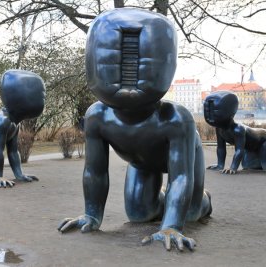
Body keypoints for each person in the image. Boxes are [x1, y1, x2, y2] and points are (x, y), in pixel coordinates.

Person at [58, 8, 211, 252]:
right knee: (139, 214)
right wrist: (92, 215)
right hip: (141, 163)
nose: (129, 63)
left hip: (183, 165)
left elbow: (181, 176)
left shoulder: (175, 119)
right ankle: (164, 201)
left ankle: (203, 199)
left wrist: (171, 226)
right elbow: (95, 171)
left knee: (191, 213)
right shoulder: (97, 116)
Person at [204, 91, 266, 174]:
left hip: (263, 139)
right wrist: (220, 165)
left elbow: (239, 150)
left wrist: (233, 167)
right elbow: (221, 148)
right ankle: (265, 159)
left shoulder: (238, 130)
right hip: (250, 147)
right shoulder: (219, 129)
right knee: (248, 166)